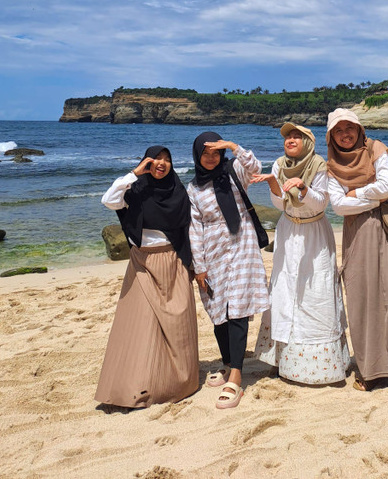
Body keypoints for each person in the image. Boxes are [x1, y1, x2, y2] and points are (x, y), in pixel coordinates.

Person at [326, 109, 388, 401]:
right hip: (357, 235)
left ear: (360, 130)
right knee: (363, 299)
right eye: (338, 130)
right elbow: (338, 207)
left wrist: (355, 195)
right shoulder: (330, 166)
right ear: (331, 136)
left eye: (350, 128)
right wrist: (366, 197)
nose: (345, 134)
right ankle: (370, 371)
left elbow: (387, 187)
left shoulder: (377, 149)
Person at [95, 145, 198, 409]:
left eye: (167, 160)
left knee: (176, 327)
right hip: (141, 262)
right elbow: (108, 200)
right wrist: (134, 173)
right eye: (156, 160)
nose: (162, 164)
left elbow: (192, 231)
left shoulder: (179, 192)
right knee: (141, 325)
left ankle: (178, 383)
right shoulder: (135, 191)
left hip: (173, 261)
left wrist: (196, 265)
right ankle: (136, 386)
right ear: (146, 162)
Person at [253, 123, 349, 384]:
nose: (290, 140)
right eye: (287, 136)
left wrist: (303, 189)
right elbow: (279, 203)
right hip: (287, 232)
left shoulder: (319, 165)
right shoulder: (279, 164)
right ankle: (283, 359)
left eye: (297, 136)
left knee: (314, 290)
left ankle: (319, 365)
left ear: (308, 142)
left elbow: (321, 202)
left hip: (313, 232)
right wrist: (275, 183)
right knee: (284, 289)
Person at [188, 132, 269, 409]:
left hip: (243, 247)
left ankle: (236, 375)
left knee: (238, 308)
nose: (211, 158)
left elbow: (255, 168)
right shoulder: (194, 188)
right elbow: (194, 229)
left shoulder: (234, 170)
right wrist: (198, 266)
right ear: (197, 155)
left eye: (215, 152)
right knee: (218, 310)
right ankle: (226, 363)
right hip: (213, 253)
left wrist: (235, 147)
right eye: (205, 153)